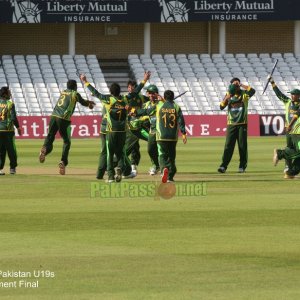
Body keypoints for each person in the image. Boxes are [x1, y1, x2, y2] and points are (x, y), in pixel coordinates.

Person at [80, 71, 151, 183]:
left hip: (111, 131)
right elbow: (136, 91)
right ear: (119, 91)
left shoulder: (108, 100)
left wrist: (85, 81)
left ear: (110, 92)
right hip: (122, 132)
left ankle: (111, 177)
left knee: (110, 153)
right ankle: (121, 169)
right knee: (121, 153)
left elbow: (96, 92)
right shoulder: (125, 99)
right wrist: (145, 79)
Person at [39, 79, 95, 175]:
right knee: (66, 141)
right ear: (75, 87)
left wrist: (88, 101)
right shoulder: (75, 94)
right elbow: (82, 102)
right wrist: (89, 104)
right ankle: (63, 161)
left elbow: (79, 100)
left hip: (54, 116)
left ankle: (44, 149)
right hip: (63, 119)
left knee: (50, 136)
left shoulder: (64, 92)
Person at [217, 78, 256, 173]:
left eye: (236, 84)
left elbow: (252, 90)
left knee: (242, 146)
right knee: (228, 146)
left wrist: (241, 84)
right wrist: (228, 96)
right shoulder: (228, 94)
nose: (235, 86)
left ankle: (242, 166)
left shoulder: (244, 94)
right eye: (234, 84)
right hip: (231, 124)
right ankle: (223, 166)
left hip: (242, 123)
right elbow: (221, 106)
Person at [268, 77, 300, 172]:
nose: (292, 96)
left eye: (294, 94)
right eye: (292, 94)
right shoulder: (288, 102)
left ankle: (289, 170)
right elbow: (279, 94)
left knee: (291, 150)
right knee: (293, 150)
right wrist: (272, 82)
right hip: (292, 131)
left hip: (295, 131)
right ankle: (283, 160)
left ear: (298, 95)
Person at [156, 90, 187, 183]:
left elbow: (147, 111)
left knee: (162, 154)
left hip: (161, 135)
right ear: (173, 98)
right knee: (172, 156)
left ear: (164, 97)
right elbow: (181, 121)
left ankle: (164, 169)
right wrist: (184, 133)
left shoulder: (159, 106)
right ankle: (170, 176)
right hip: (173, 136)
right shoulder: (176, 107)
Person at [125, 79, 149, 176]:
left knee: (136, 147)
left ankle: (133, 165)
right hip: (129, 126)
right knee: (130, 146)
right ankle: (118, 164)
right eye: (129, 87)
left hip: (140, 124)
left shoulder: (141, 98)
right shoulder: (126, 98)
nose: (130, 89)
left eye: (132, 87)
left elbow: (151, 101)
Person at [0, 86, 22, 175]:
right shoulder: (10, 104)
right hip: (8, 130)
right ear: (5, 94)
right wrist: (18, 127)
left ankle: (0, 169)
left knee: (0, 150)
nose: (10, 94)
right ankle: (12, 168)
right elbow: (13, 118)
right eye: (9, 92)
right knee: (11, 149)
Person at [273, 107, 300, 179]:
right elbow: (296, 115)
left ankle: (291, 173)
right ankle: (280, 153)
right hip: (298, 133)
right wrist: (290, 125)